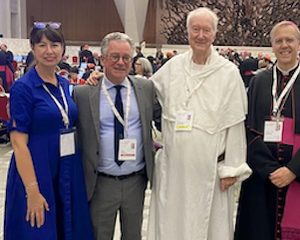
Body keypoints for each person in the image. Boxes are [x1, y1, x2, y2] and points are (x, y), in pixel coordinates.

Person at [147, 7, 251, 240]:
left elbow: (235, 123)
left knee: (209, 227)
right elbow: (145, 93)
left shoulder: (228, 72)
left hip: (210, 172)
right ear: (188, 32)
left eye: (206, 30)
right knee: (172, 224)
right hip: (174, 170)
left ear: (214, 34)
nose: (200, 35)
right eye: (196, 29)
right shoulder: (173, 67)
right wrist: (104, 79)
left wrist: (232, 168)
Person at [235, 21, 300, 240]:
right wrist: (269, 169)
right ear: (272, 46)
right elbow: (247, 129)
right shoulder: (258, 82)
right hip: (262, 177)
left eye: (289, 40)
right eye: (279, 41)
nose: (284, 45)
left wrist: (294, 169)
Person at [4, 22, 93, 240]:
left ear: (63, 48)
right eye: (42, 45)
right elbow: (18, 143)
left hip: (66, 166)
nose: (49, 51)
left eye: (54, 44)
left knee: (68, 227)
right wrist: (32, 190)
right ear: (32, 49)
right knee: (39, 229)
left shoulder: (63, 83)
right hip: (37, 169)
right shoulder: (23, 87)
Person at [74, 32, 161, 240]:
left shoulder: (145, 88)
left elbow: (165, 117)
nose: (121, 62)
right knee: (99, 235)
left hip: (135, 181)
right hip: (100, 182)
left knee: (133, 235)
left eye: (126, 57)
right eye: (114, 57)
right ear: (102, 59)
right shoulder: (83, 94)